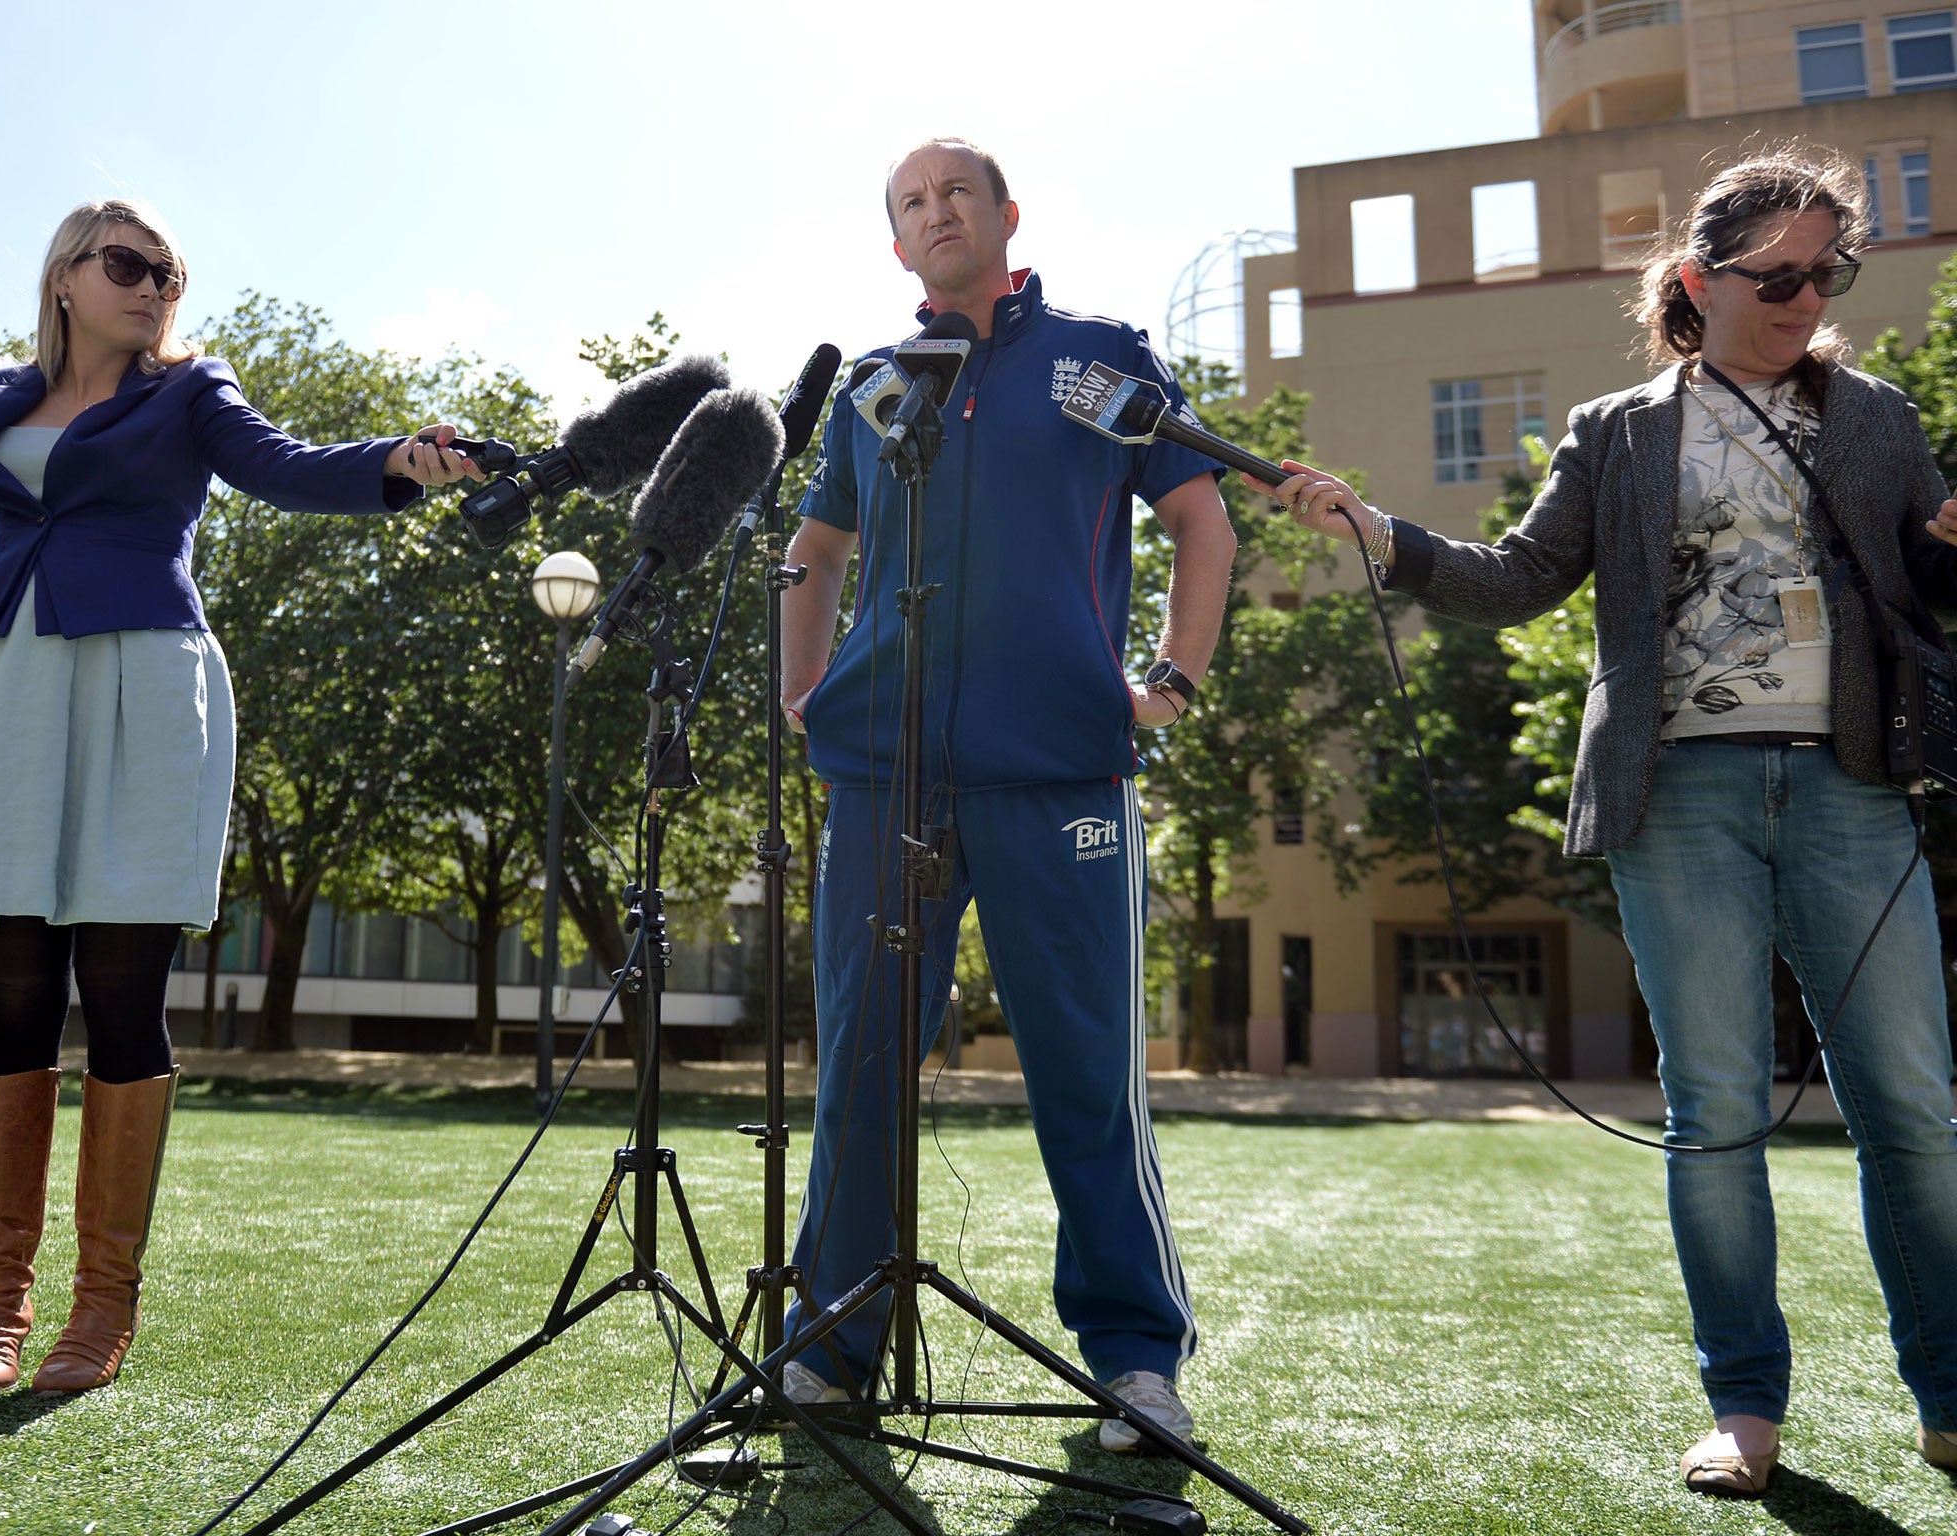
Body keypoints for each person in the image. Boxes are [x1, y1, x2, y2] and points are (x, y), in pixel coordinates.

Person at [1255, 149, 1957, 1495]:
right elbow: (1515, 579)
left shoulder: (1875, 419)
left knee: (1915, 1112)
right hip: (1676, 789)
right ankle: (1745, 1409)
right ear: (1699, 280)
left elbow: (1920, 594)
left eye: (1829, 273)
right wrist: (1376, 529)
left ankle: (1950, 1396)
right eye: (1780, 275)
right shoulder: (1619, 430)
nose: (1808, 296)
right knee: (1718, 1113)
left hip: (1854, 786)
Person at [0, 197, 479, 1396]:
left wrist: (396, 461)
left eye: (169, 272)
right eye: (127, 265)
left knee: (120, 986)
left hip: (144, 689)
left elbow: (284, 467)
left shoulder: (192, 392)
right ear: (65, 276)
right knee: (16, 989)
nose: (154, 286)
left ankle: (97, 1315)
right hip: (10, 694)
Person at [777, 138, 1237, 1451]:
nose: (937, 211)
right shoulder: (871, 386)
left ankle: (1137, 1366)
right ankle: (830, 1345)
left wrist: (1171, 683)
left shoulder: (1103, 358)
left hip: (1066, 770)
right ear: (896, 240)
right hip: (884, 770)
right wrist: (800, 691)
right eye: (911, 201)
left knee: (1088, 1070)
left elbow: (1203, 520)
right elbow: (814, 547)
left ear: (1007, 214)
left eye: (957, 190)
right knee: (862, 1065)